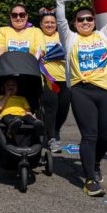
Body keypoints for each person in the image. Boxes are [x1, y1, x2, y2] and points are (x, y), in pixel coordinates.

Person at [56, 0, 107, 197]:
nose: (85, 22)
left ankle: (95, 163)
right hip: (81, 91)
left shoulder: (104, 35)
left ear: (94, 22)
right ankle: (89, 180)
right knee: (90, 135)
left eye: (89, 19)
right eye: (80, 19)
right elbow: (60, 20)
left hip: (104, 91)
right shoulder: (70, 38)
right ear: (74, 23)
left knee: (105, 138)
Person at [38, 8, 71, 154]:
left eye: (52, 22)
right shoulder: (38, 36)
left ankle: (55, 129)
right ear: (41, 24)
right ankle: (51, 138)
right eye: (46, 22)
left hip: (65, 79)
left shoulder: (63, 36)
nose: (49, 25)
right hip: (47, 79)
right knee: (51, 108)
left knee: (63, 109)